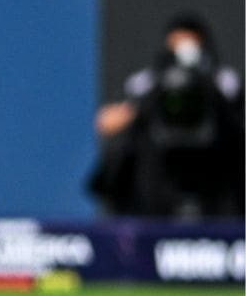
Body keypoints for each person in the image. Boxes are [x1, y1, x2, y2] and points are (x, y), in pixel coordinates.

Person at [89, 13, 244, 218]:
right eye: (176, 45)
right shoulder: (147, 83)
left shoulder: (225, 83)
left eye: (191, 45)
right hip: (156, 190)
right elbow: (106, 122)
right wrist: (144, 106)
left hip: (217, 189)